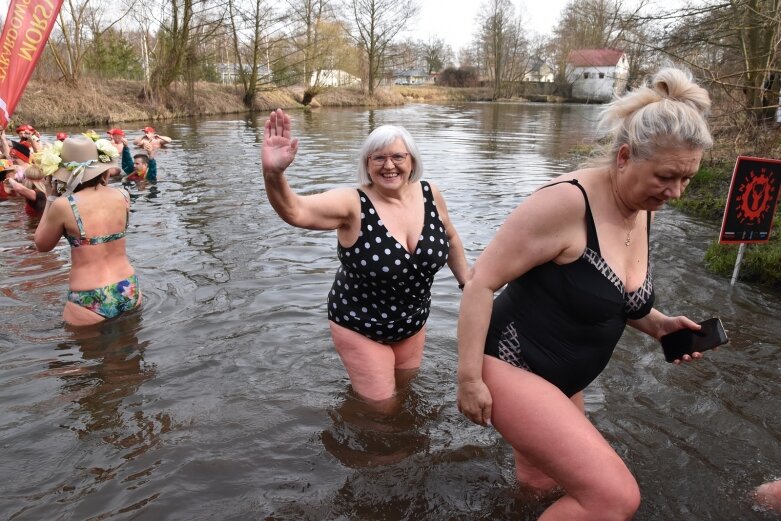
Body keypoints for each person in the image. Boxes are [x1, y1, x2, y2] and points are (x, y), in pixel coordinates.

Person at [456, 66, 713, 520]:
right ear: (625, 156)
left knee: (544, 485)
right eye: (666, 176)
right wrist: (468, 380)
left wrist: (657, 323)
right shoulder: (566, 203)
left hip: (563, 379)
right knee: (613, 498)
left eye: (687, 179)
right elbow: (480, 283)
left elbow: (601, 294)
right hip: (511, 365)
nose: (675, 192)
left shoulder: (642, 205)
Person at [262, 108, 468, 403]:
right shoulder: (352, 203)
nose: (389, 166)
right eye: (379, 158)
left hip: (413, 321)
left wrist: (468, 283)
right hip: (360, 324)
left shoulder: (429, 193)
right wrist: (273, 174)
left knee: (408, 392)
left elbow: (450, 236)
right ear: (367, 164)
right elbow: (295, 210)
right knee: (380, 410)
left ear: (412, 161)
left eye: (398, 156)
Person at [34, 137, 140, 326]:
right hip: (128, 287)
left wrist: (50, 197)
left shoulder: (64, 205)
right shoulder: (123, 195)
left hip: (88, 295)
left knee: (88, 352)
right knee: (130, 348)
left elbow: (42, 245)